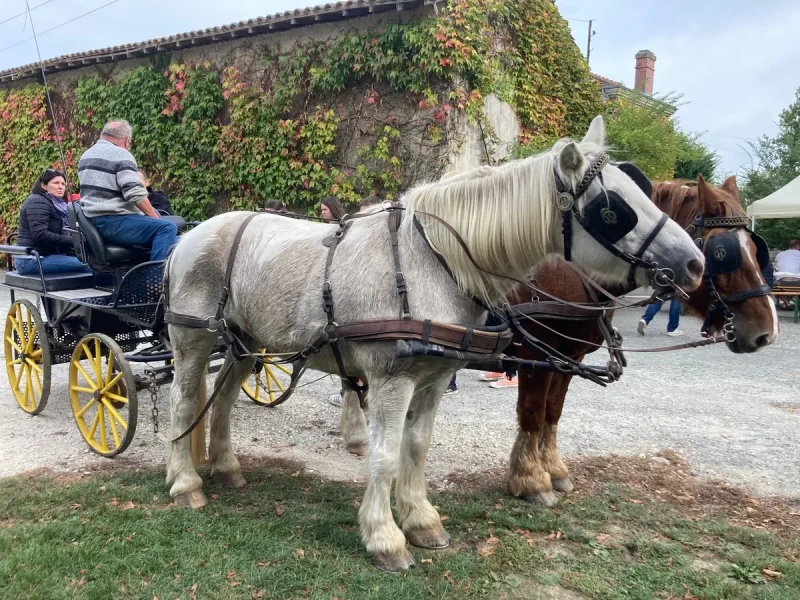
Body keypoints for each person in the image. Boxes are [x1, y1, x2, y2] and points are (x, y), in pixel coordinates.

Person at [77, 120, 178, 262]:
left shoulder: (86, 155)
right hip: (115, 221)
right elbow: (134, 192)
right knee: (167, 228)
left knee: (171, 236)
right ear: (126, 140)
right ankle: (156, 280)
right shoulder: (120, 154)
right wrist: (155, 217)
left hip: (94, 222)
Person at [14, 169, 91, 275]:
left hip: (47, 255)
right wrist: (74, 240)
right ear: (43, 185)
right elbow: (40, 234)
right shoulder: (37, 201)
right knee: (90, 266)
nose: (61, 187)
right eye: (56, 183)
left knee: (97, 262)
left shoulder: (60, 204)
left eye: (63, 184)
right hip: (32, 258)